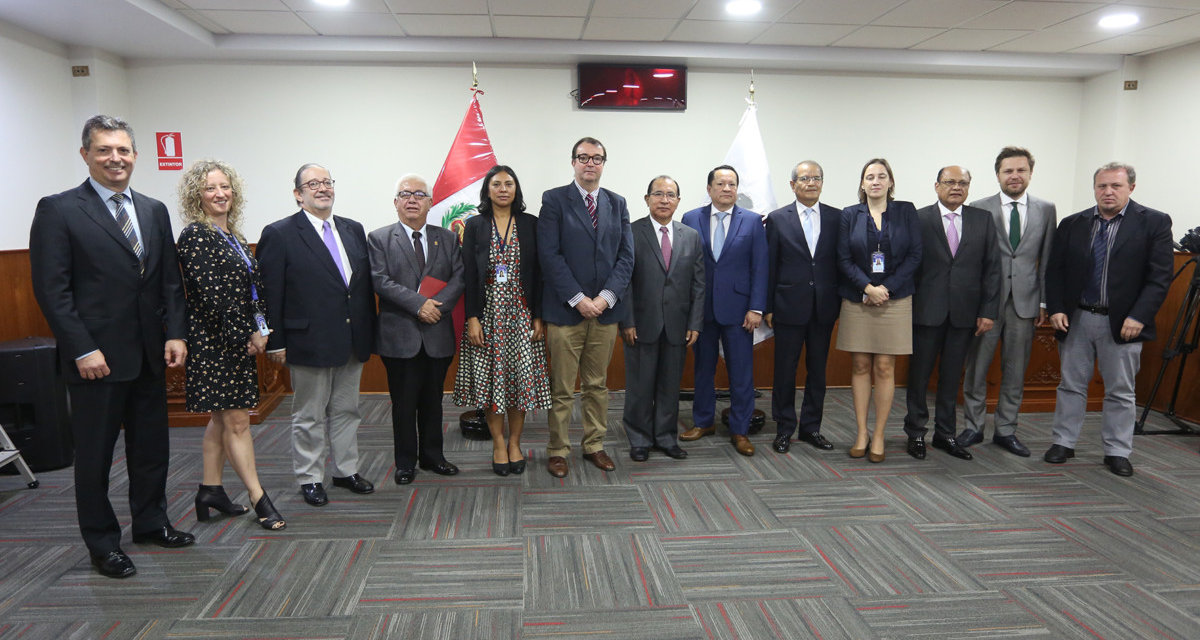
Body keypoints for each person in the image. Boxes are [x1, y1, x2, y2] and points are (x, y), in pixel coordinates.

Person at [30, 115, 194, 579]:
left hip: (149, 354)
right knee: (96, 457)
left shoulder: (153, 209)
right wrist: (82, 348)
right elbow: (52, 290)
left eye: (122, 150)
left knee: (151, 449)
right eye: (104, 150)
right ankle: (103, 544)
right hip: (95, 362)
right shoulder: (59, 209)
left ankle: (151, 522)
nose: (115, 158)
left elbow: (168, 283)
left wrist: (175, 332)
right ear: (85, 155)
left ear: (135, 156)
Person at [257, 164, 376, 505]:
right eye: (313, 184)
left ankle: (345, 470)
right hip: (307, 340)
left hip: (352, 339)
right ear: (298, 194)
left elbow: (359, 289)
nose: (322, 188)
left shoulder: (352, 229)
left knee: (346, 410)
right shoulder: (279, 233)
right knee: (308, 414)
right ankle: (310, 477)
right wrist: (275, 340)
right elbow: (271, 292)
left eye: (327, 182)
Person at [1044, 162, 1173, 477]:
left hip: (1124, 323)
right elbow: (1055, 270)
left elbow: (1159, 278)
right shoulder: (1073, 223)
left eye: (1115, 186)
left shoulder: (1153, 222)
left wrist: (1139, 316)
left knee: (1120, 390)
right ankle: (1063, 442)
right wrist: (1056, 307)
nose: (1108, 192)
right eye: (1102, 186)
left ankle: (1117, 450)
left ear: (1131, 187)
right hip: (1076, 318)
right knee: (1071, 385)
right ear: (1095, 189)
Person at [176, 159, 285, 531]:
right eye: (210, 188)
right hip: (214, 342)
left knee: (220, 418)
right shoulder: (195, 236)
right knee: (236, 421)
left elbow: (252, 292)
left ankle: (211, 489)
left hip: (238, 338)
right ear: (197, 196)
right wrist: (246, 335)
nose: (220, 194)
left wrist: (262, 328)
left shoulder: (234, 237)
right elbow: (211, 298)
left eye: (225, 187)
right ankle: (260, 498)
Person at [537, 137, 635, 478]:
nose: (590, 163)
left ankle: (595, 445)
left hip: (606, 312)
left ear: (604, 163)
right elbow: (549, 256)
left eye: (597, 158)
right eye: (583, 157)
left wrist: (605, 298)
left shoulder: (617, 203)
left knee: (597, 385)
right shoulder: (553, 200)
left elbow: (626, 257)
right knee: (562, 387)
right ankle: (558, 449)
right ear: (573, 162)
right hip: (566, 312)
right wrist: (579, 299)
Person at [960, 147, 1057, 457]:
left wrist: (1044, 301)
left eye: (1021, 170)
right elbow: (972, 261)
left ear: (1029, 173)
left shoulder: (1046, 209)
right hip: (987, 303)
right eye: (1008, 171)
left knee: (1015, 370)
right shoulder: (979, 207)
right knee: (977, 367)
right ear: (998, 175)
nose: (1014, 176)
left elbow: (1048, 260)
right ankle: (973, 426)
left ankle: (1006, 430)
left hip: (1026, 304)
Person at [454, 165, 550, 476]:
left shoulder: (531, 224)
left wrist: (538, 316)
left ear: (516, 189)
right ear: (487, 190)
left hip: (521, 315)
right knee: (493, 383)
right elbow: (469, 275)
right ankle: (498, 443)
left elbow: (539, 274)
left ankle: (515, 443)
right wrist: (472, 317)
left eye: (509, 184)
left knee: (519, 383)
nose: (503, 189)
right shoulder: (475, 226)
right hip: (488, 316)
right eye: (496, 184)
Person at [368, 174, 465, 484]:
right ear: (395, 202)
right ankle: (405, 461)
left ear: (430, 202)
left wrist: (435, 307)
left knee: (433, 401)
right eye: (405, 194)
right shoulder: (379, 238)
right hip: (400, 336)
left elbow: (459, 278)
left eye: (419, 194)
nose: (412, 199)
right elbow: (380, 281)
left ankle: (433, 456)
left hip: (437, 334)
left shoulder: (447, 238)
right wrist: (418, 305)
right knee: (404, 403)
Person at [903, 166, 1001, 461]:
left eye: (962, 183)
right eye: (949, 182)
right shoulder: (919, 219)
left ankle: (945, 434)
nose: (956, 187)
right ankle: (916, 432)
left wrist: (988, 311)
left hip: (965, 314)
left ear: (969, 187)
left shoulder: (982, 220)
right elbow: (910, 267)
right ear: (936, 186)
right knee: (919, 377)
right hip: (925, 312)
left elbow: (992, 268)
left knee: (950, 378)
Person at [836, 158, 922, 463]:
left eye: (881, 176)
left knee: (885, 367)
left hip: (895, 300)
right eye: (869, 176)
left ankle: (880, 434)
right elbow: (843, 258)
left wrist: (887, 289)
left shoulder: (906, 211)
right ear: (862, 183)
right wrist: (867, 288)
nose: (875, 181)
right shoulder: (849, 215)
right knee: (860, 365)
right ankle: (861, 432)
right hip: (858, 299)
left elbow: (915, 255)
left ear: (890, 182)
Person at [680, 165, 768, 457]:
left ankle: (740, 429)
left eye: (732, 184)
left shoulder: (753, 221)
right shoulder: (691, 218)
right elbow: (686, 267)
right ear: (709, 189)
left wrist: (756, 307)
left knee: (741, 372)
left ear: (737, 189)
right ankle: (703, 422)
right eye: (720, 183)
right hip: (702, 310)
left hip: (740, 310)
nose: (727, 188)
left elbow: (760, 267)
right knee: (703, 369)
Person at [619, 175, 705, 462]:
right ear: (647, 199)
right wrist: (627, 321)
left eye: (671, 195)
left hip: (678, 325)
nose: (664, 200)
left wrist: (694, 323)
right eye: (658, 194)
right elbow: (625, 282)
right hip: (641, 324)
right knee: (640, 386)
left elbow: (698, 285)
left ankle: (666, 437)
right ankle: (639, 438)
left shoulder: (690, 236)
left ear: (679, 201)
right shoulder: (630, 233)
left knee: (670, 386)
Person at [764, 161, 841, 454]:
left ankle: (811, 427)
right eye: (805, 178)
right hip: (787, 306)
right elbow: (770, 265)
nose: (811, 183)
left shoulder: (837, 217)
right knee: (785, 370)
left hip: (823, 307)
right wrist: (768, 305)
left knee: (818, 371)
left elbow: (839, 262)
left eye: (816, 178)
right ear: (793, 184)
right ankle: (784, 428)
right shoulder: (777, 218)